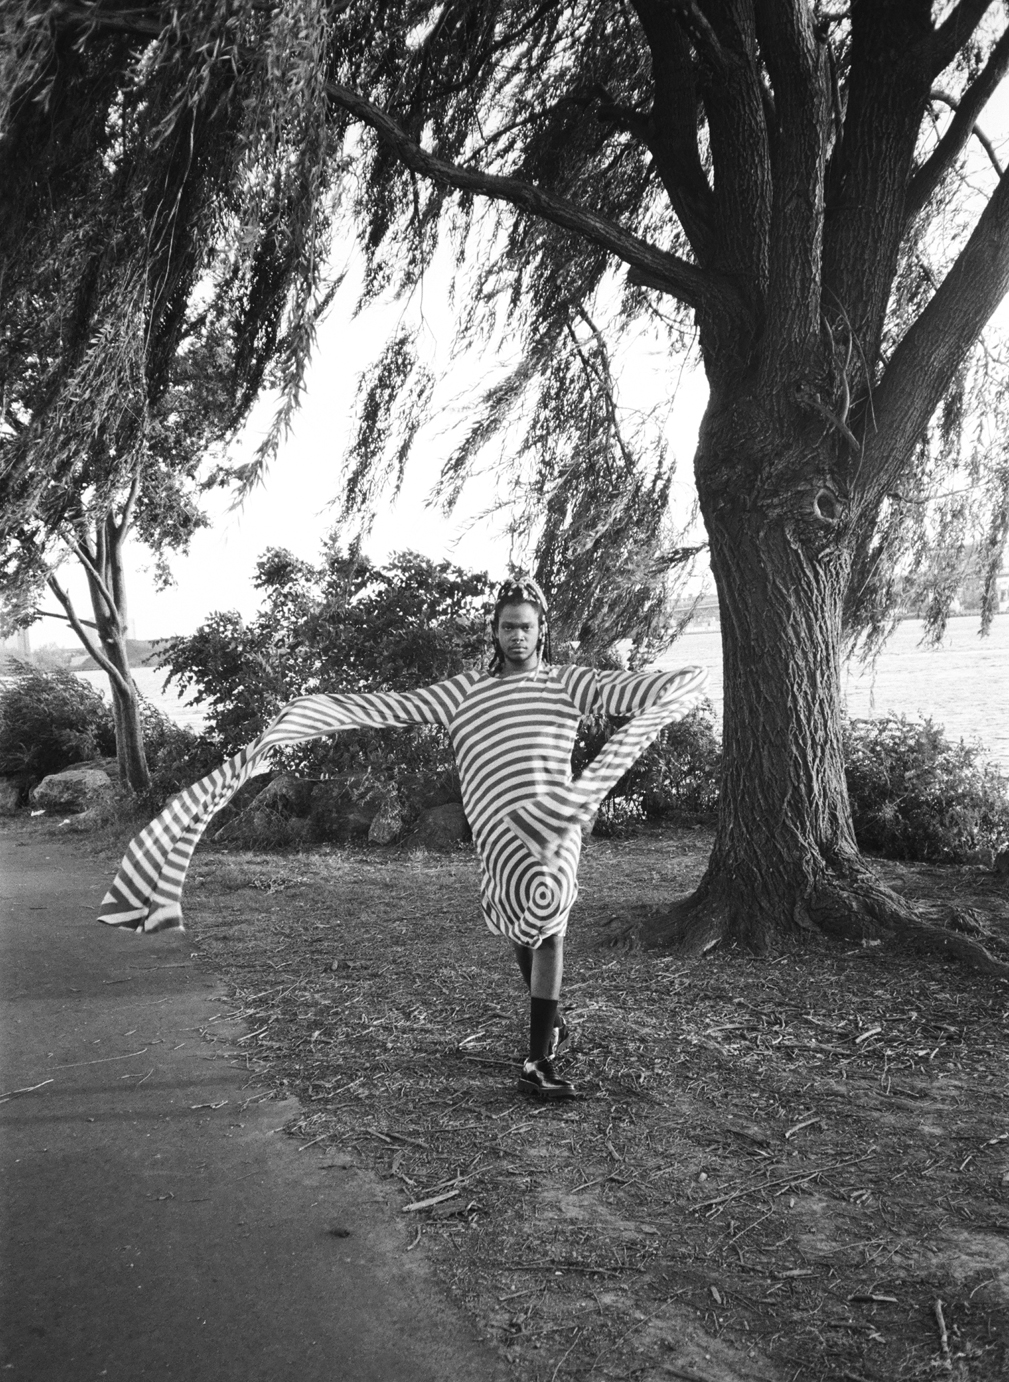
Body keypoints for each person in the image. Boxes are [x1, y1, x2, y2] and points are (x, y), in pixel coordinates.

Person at [99, 576, 707, 1101]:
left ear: (540, 631)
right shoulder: (465, 692)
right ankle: (551, 1025)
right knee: (521, 924)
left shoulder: (571, 685)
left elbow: (633, 692)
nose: (515, 636)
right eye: (506, 627)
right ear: (494, 633)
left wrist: (678, 682)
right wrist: (309, 716)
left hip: (551, 825)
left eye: (525, 627)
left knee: (547, 917)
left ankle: (536, 1059)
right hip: (495, 828)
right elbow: (390, 705)